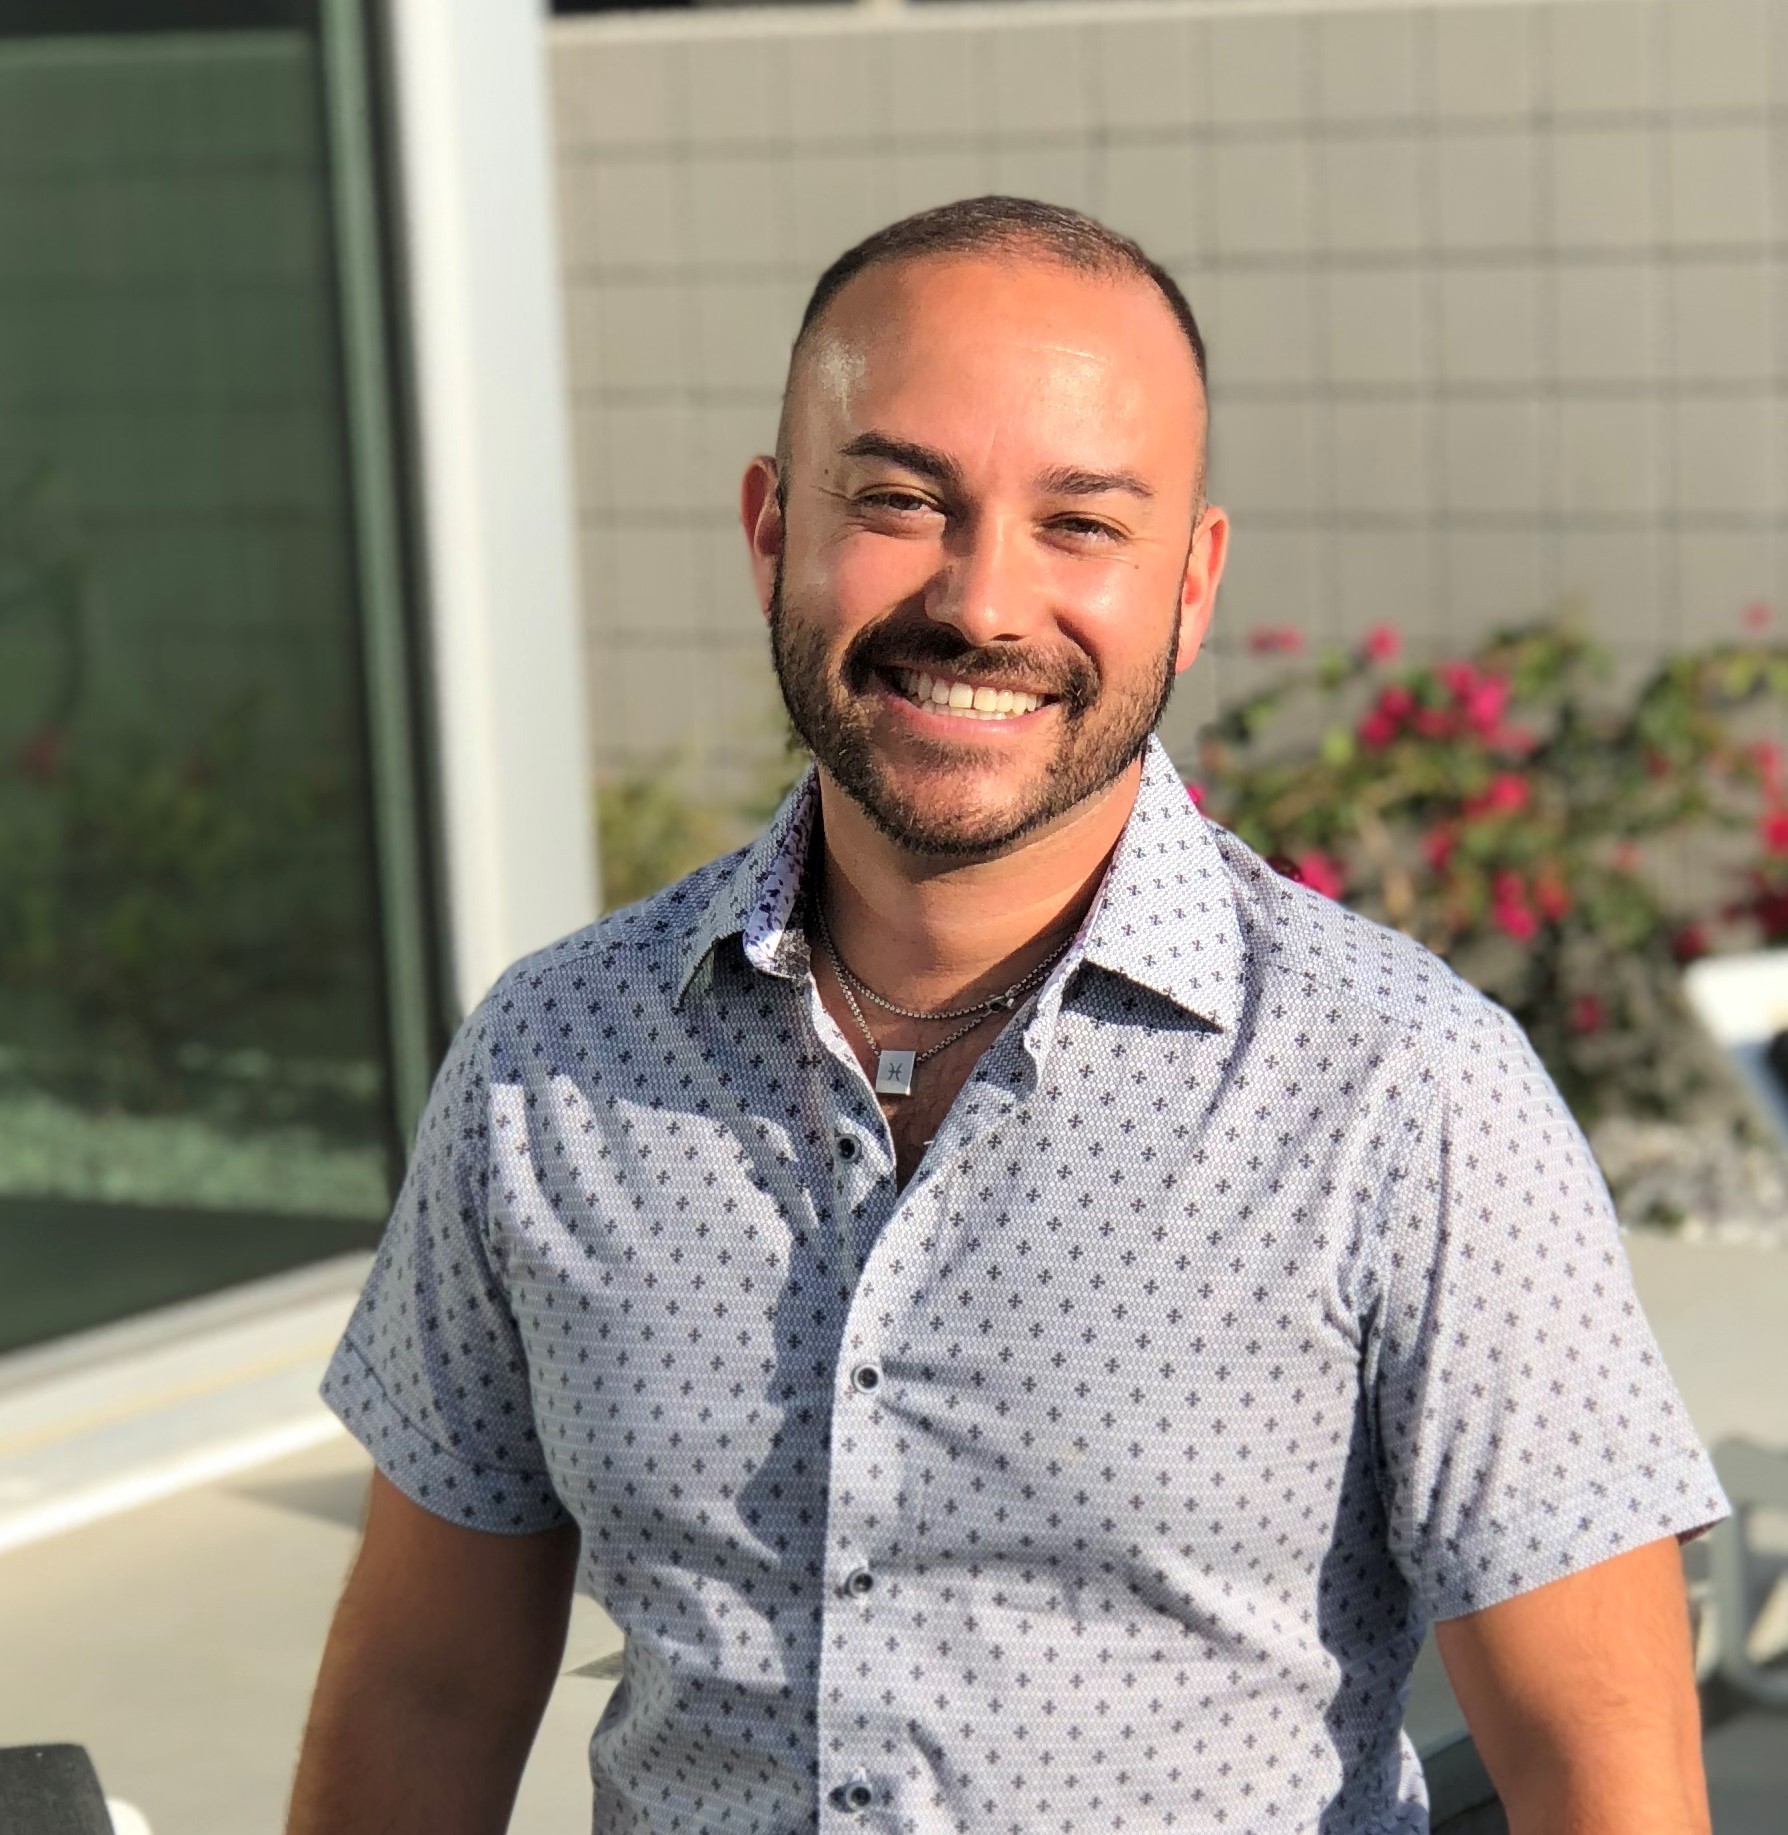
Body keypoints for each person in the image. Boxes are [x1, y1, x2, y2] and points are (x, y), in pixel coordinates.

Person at [287, 198, 1725, 1835]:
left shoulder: (1406, 1093)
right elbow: (425, 1690)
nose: (982, 603)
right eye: (902, 502)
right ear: (771, 531)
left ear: (1191, 585)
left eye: (1080, 524)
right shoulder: (555, 1062)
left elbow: (1607, 1772)